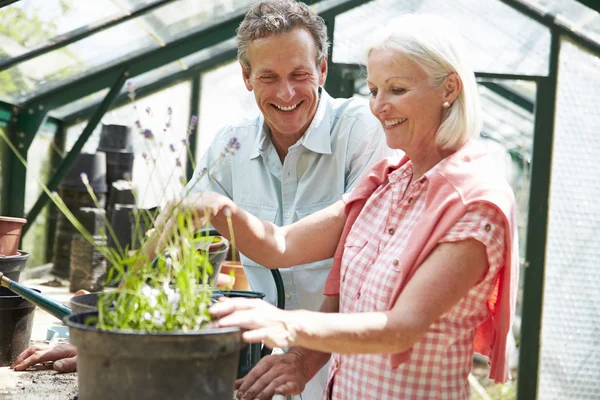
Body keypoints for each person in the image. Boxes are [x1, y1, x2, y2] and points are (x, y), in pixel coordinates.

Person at [11, 1, 390, 397]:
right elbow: (172, 233)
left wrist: (302, 358)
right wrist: (109, 333)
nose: (286, 92)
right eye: (268, 77)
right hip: (261, 372)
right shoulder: (232, 145)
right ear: (246, 76)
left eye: (299, 74)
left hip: (345, 369)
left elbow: (357, 271)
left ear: (323, 70)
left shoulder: (363, 132)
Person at [155, 13, 520, 400]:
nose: (379, 106)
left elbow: (401, 329)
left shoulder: (474, 202)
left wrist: (284, 324)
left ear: (449, 88)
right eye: (374, 89)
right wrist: (216, 209)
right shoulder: (388, 181)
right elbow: (282, 245)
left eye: (396, 89)